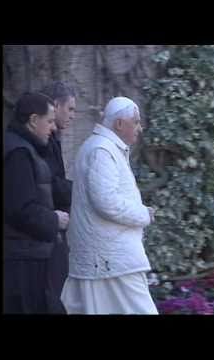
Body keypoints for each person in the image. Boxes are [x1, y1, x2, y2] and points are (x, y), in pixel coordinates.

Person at [61, 96, 158, 314]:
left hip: (108, 258)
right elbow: (106, 202)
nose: (139, 128)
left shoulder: (103, 148)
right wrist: (143, 214)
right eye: (136, 122)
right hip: (112, 259)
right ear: (119, 124)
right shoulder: (102, 151)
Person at [4, 92, 70, 314]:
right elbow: (20, 208)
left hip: (27, 255)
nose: (53, 128)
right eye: (50, 121)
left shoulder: (23, 148)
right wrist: (54, 219)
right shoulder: (19, 153)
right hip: (23, 260)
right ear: (33, 120)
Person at [38, 81, 76, 313]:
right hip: (48, 227)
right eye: (70, 109)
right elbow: (49, 183)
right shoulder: (43, 142)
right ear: (56, 105)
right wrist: (81, 189)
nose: (73, 115)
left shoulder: (52, 139)